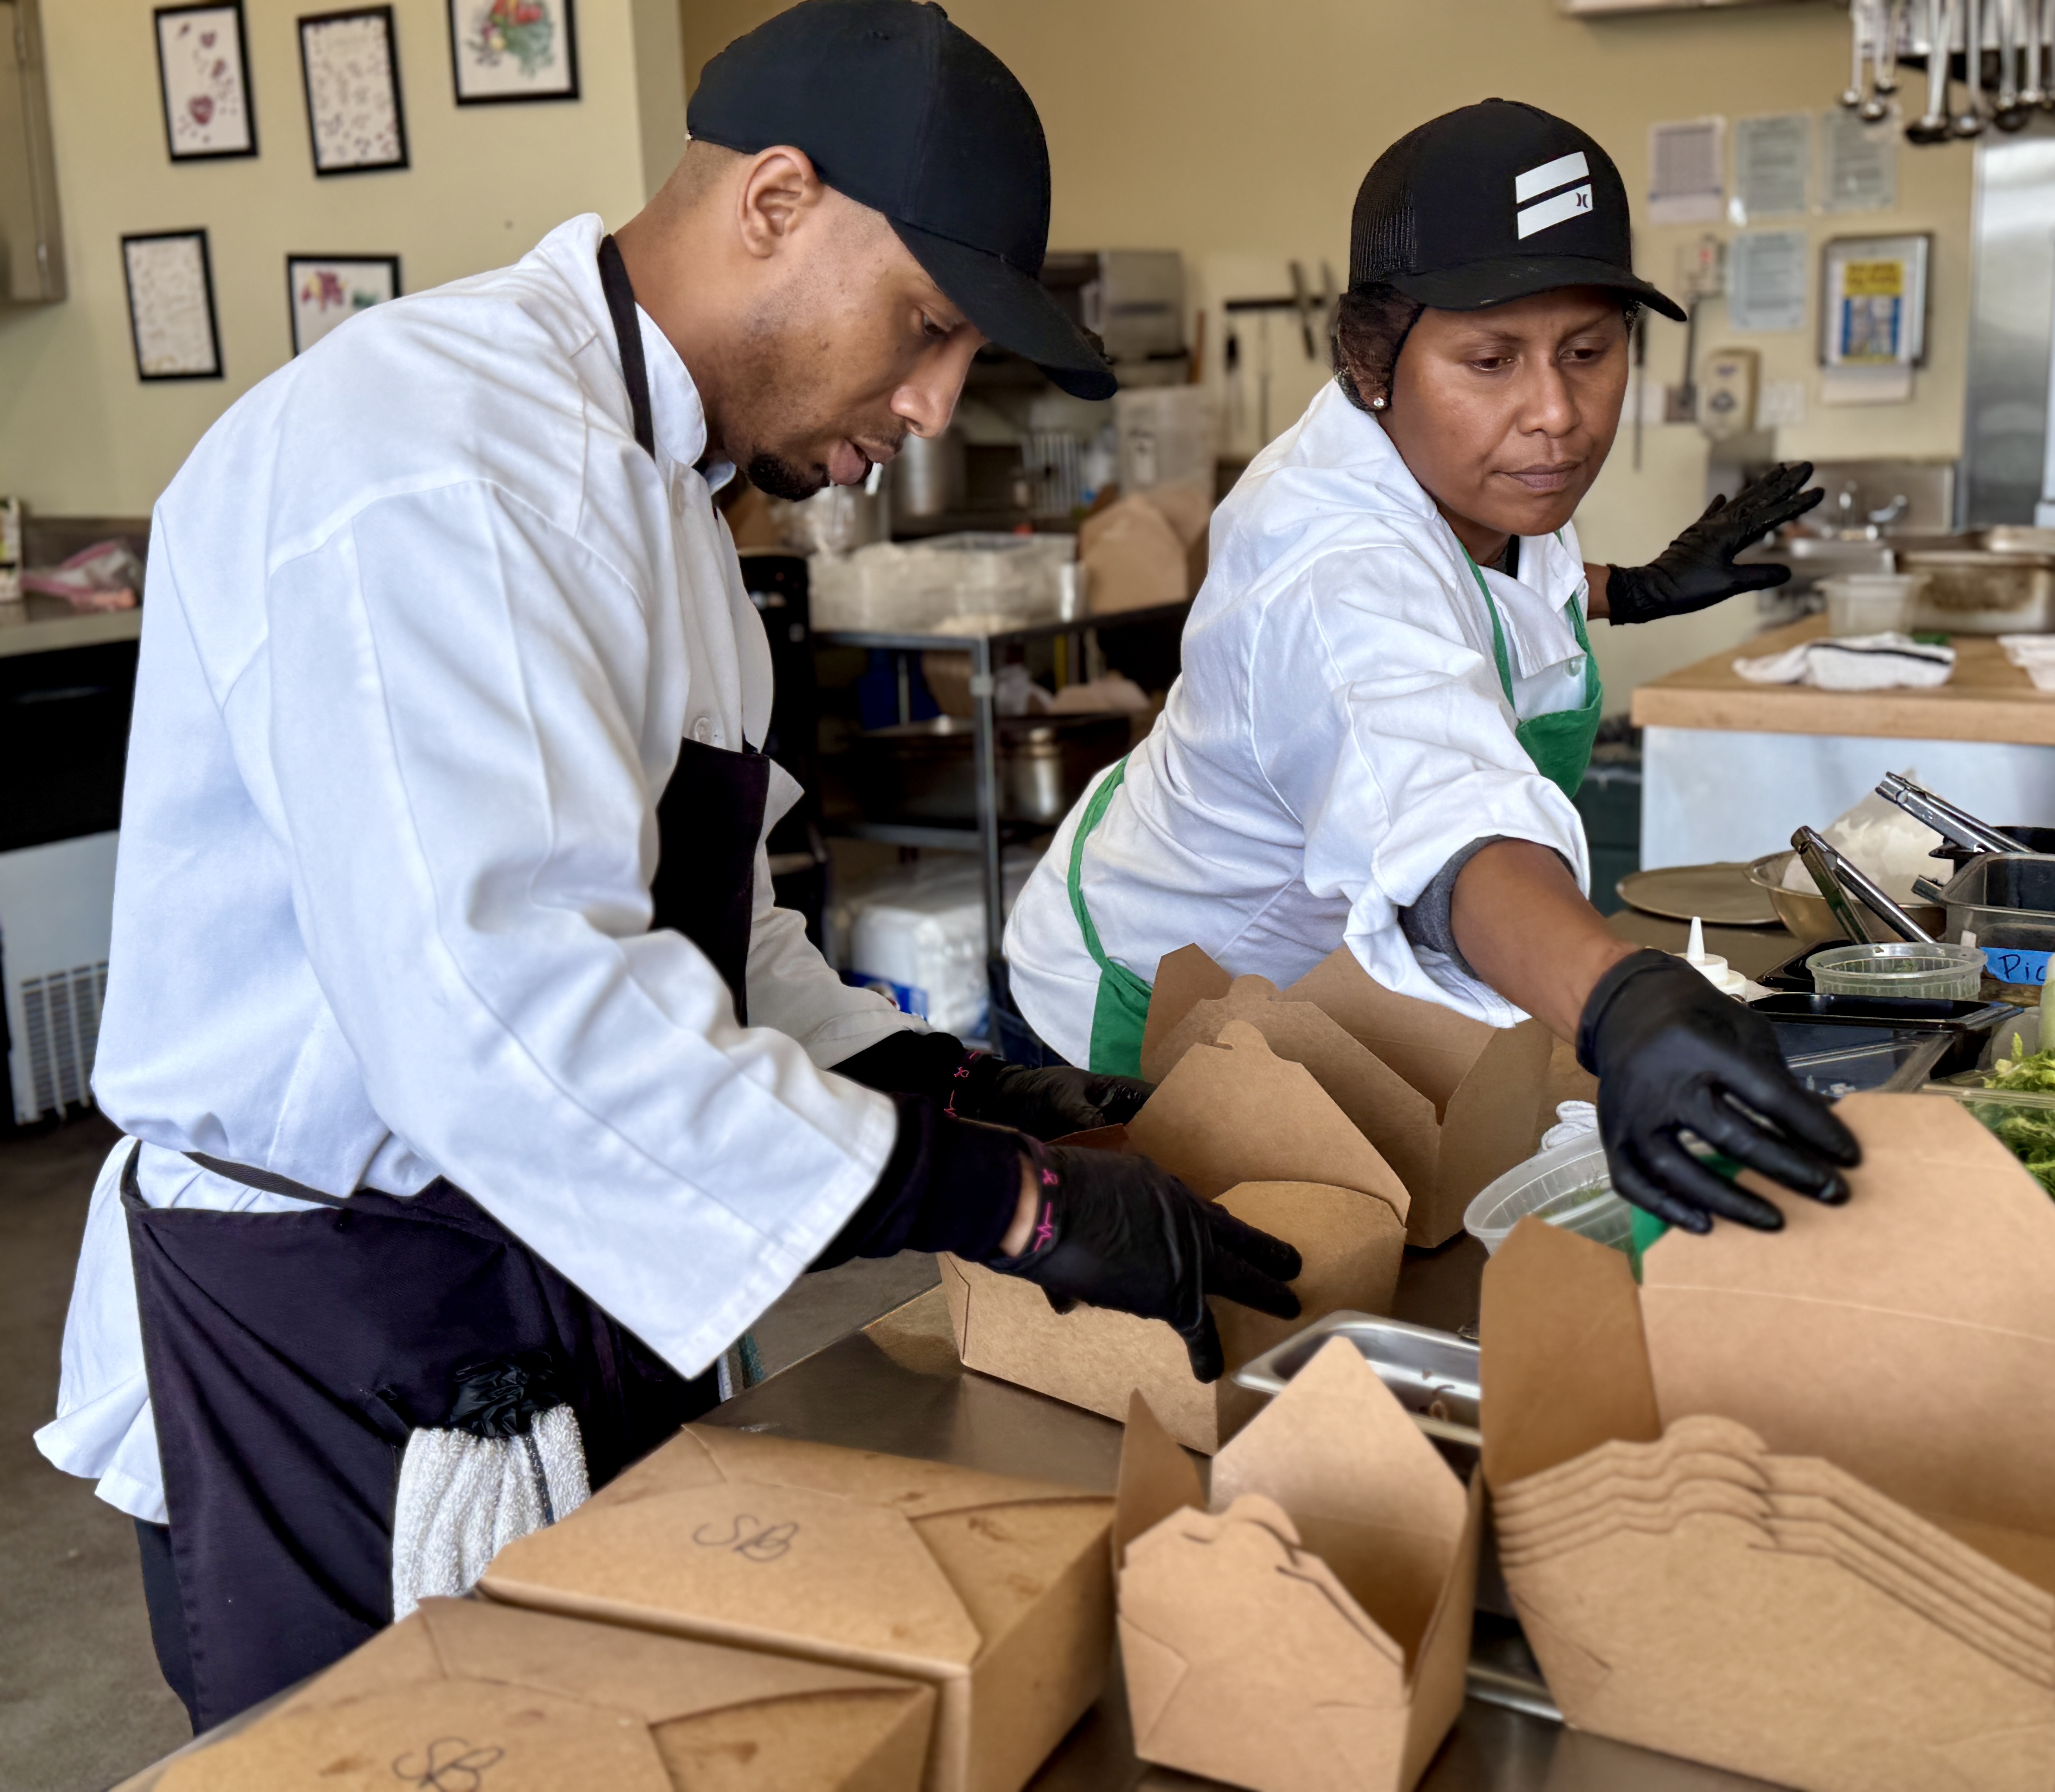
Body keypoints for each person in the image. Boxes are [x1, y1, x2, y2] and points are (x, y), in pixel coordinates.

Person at [37, 0, 1299, 1734]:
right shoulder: (434, 467)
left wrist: (972, 1084)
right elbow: (507, 1009)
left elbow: (721, 947)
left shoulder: (666, 499)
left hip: (549, 1281)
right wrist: (995, 1202)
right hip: (349, 1339)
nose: (933, 407)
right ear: (774, 200)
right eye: (925, 329)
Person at [1005, 100, 1859, 1235]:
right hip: (1133, 1005)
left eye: (1589, 352)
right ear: (1374, 359)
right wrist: (1622, 1001)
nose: (1554, 414)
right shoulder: (1331, 565)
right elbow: (1449, 816)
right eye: (1492, 359)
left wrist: (1626, 588)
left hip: (1313, 993)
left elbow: (1469, 597)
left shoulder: (1479, 478)